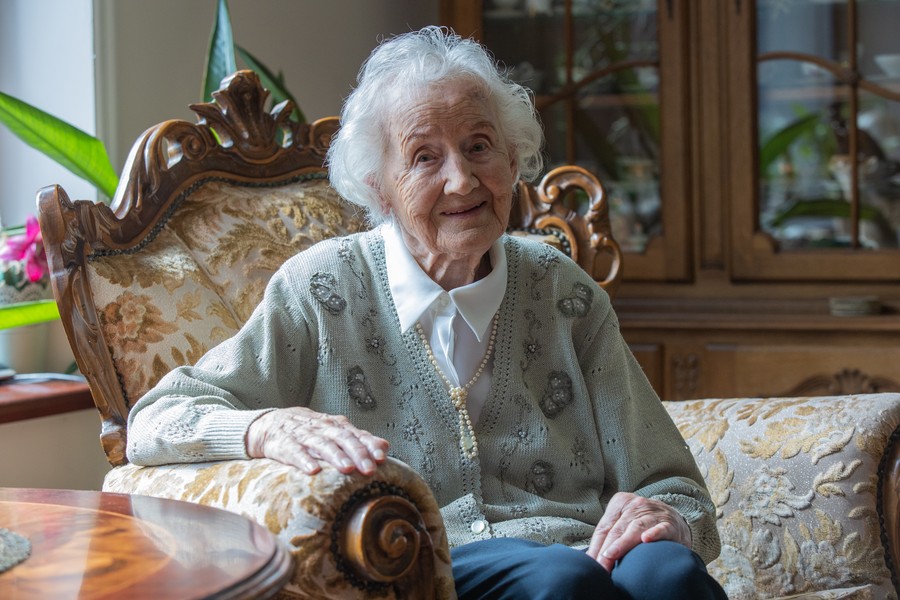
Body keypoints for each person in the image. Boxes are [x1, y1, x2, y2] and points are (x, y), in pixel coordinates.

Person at [126, 26, 726, 600]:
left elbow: (674, 483)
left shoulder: (562, 291)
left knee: (666, 574)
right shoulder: (323, 288)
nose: (462, 180)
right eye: (424, 157)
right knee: (563, 585)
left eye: (479, 147)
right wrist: (266, 428)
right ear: (379, 188)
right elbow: (157, 419)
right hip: (431, 565)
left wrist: (664, 515)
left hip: (584, 552)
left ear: (514, 162)